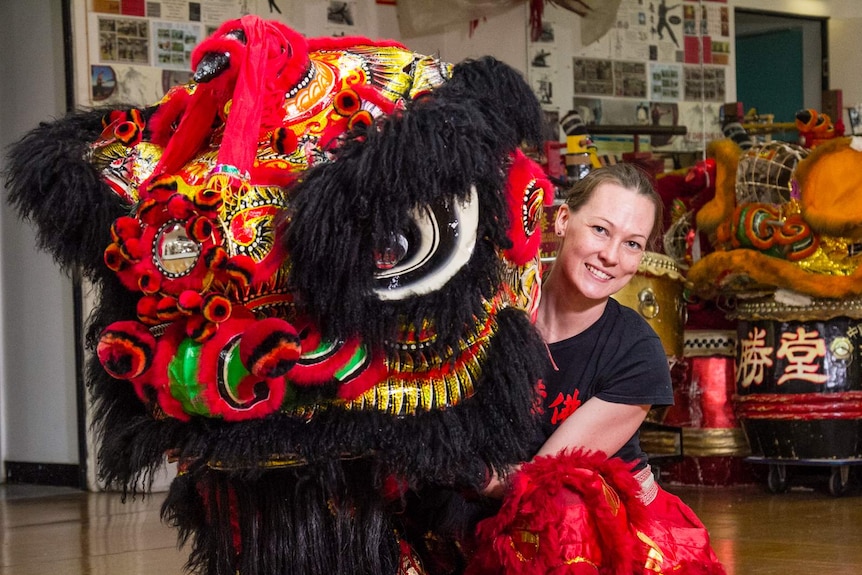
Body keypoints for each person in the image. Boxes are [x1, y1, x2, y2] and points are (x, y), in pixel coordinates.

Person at [473, 163, 726, 574]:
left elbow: (537, 481)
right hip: (480, 500)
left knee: (563, 508)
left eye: (632, 244)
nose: (611, 256)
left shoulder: (637, 353)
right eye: (601, 230)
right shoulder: (494, 314)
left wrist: (443, 461)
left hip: (598, 530)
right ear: (563, 219)